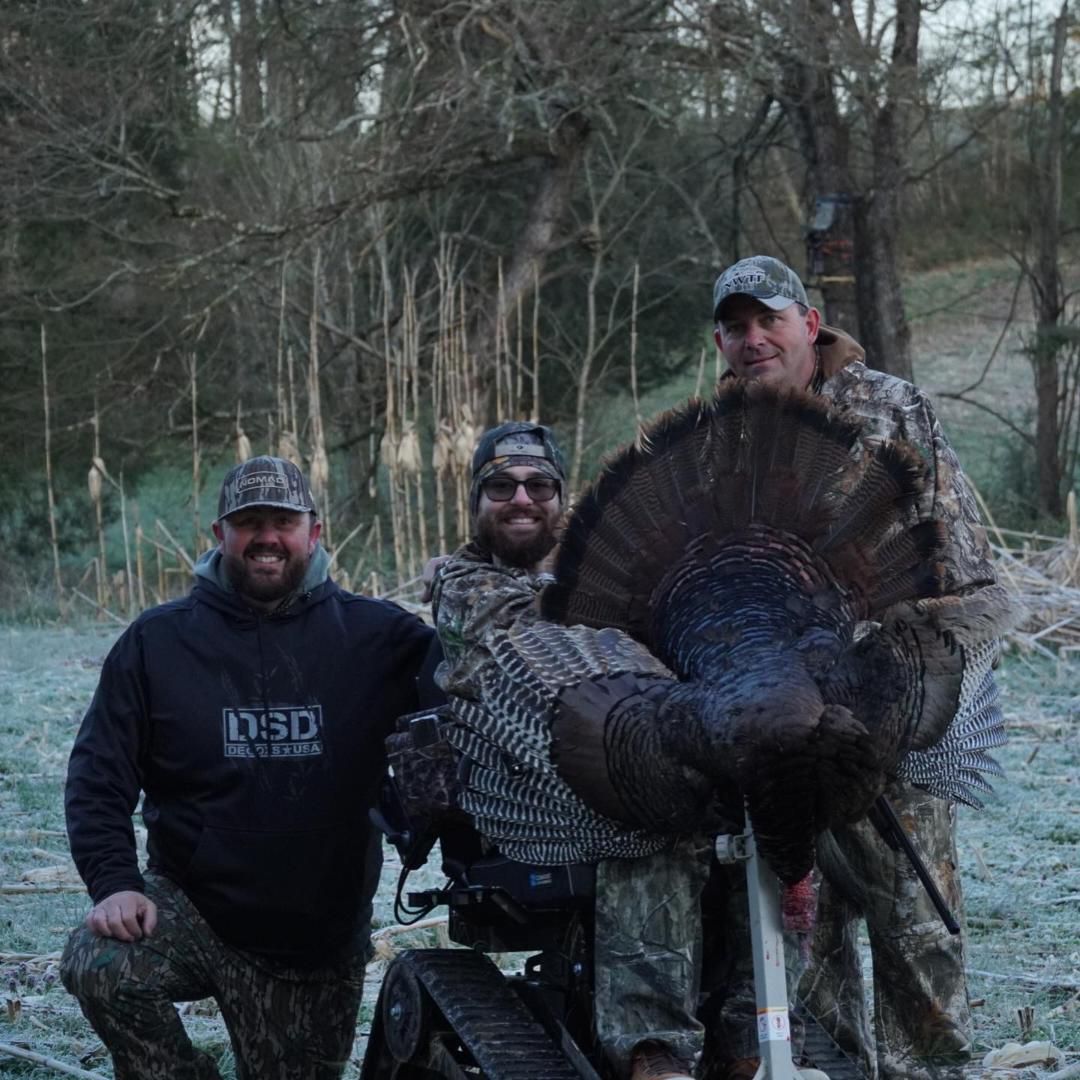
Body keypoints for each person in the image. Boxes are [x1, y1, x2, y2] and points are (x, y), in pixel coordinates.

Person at [705, 255, 1004, 1080]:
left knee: (914, 924)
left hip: (890, 704)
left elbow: (958, 555)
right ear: (720, 342)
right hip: (782, 719)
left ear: (809, 324)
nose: (754, 339)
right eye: (735, 327)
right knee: (808, 935)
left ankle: (929, 1072)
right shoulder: (716, 437)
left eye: (769, 320)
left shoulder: (890, 407)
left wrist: (916, 679)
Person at [61, 455, 434, 1080]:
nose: (267, 537)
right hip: (191, 910)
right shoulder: (157, 642)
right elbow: (98, 776)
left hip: (314, 940)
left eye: (283, 522)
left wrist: (463, 591)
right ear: (220, 535)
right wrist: (115, 883)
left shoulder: (382, 639)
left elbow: (475, 690)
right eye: (249, 522)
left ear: (314, 533)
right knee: (100, 961)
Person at [429, 422, 707, 1080]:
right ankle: (651, 1050)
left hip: (627, 749)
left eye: (539, 486)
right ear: (476, 502)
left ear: (563, 499)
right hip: (527, 784)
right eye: (501, 486)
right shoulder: (464, 586)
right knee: (647, 821)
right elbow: (537, 640)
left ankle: (752, 1028)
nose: (521, 499)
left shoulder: (603, 573)